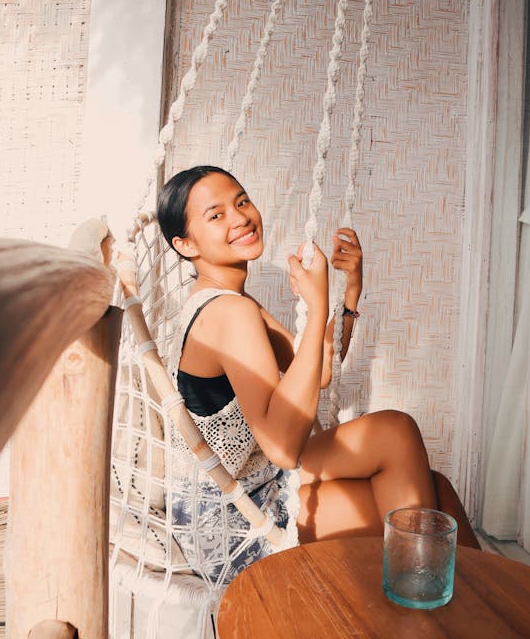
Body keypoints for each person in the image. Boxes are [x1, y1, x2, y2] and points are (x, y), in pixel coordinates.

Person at [117, 165, 478, 581]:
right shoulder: (229, 313)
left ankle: (467, 602)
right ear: (185, 244)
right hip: (231, 519)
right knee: (417, 497)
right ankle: (435, 606)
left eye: (241, 201)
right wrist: (318, 305)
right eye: (216, 216)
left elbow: (317, 371)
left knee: (428, 479)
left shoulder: (231, 300)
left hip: (254, 479)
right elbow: (284, 448)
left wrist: (350, 291)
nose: (240, 218)